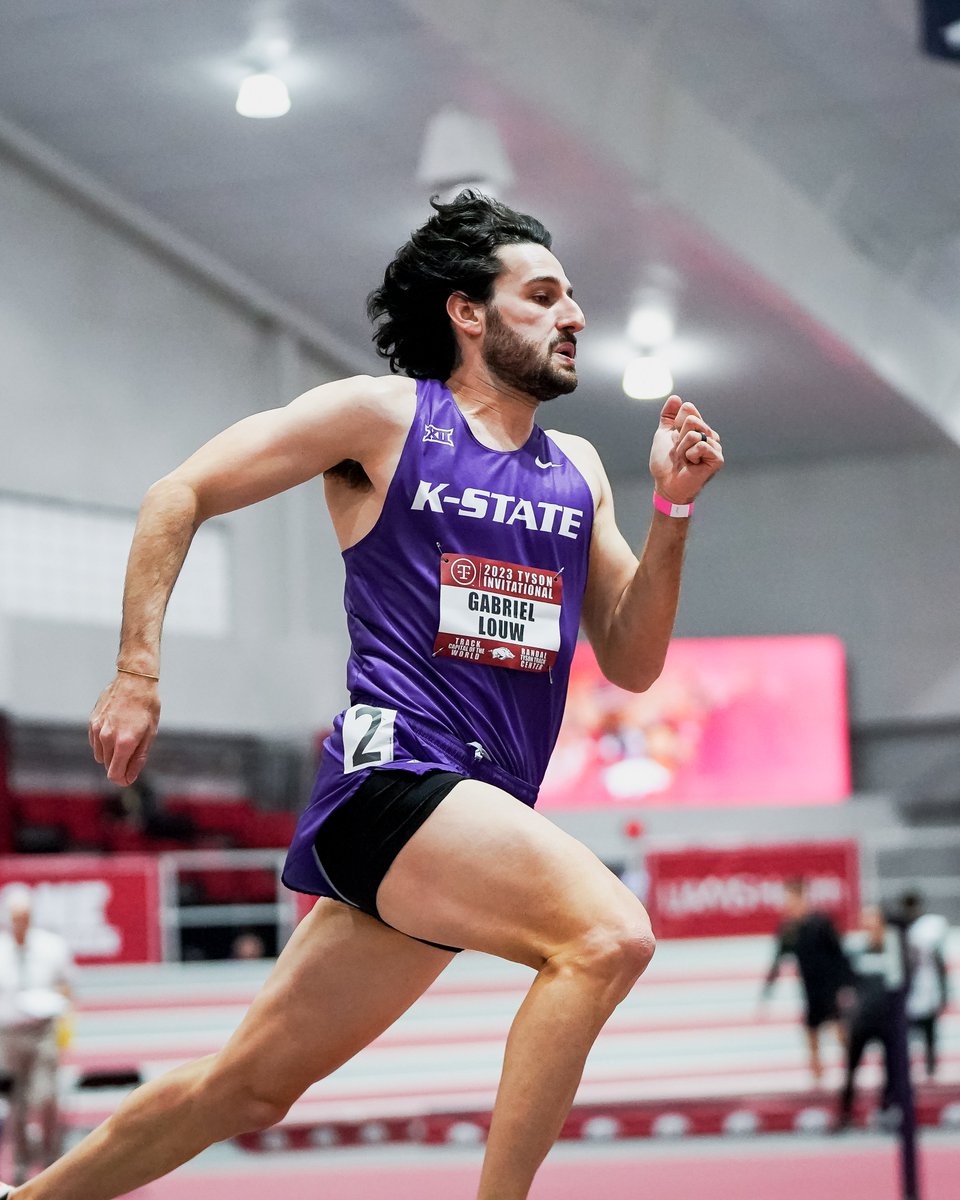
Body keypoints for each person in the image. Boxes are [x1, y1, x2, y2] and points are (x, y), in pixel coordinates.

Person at [0, 191, 723, 1200]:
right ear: (468, 313)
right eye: (545, 295)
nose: (575, 318)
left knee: (247, 1088)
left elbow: (634, 660)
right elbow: (180, 493)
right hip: (395, 777)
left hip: (470, 815)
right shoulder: (382, 420)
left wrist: (675, 511)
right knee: (606, 937)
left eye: (574, 300)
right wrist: (137, 670)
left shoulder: (581, 473)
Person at [0, 886, 75, 1187]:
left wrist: (56, 1006)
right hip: (6, 1037)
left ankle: (52, 1160)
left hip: (43, 1032)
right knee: (13, 1102)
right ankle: (20, 1162)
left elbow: (68, 986)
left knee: (46, 1097)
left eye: (25, 916)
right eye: (16, 917)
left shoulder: (51, 947)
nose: (21, 922)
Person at [761, 876, 853, 1083]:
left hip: (829, 986)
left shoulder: (821, 922)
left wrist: (846, 984)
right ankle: (818, 1079)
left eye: (789, 898)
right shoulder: (788, 928)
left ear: (801, 896)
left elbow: (839, 954)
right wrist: (768, 987)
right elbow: (778, 958)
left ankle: (852, 1071)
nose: (787, 903)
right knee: (811, 1033)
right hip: (809, 987)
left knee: (839, 1030)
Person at [835, 904, 897, 1130]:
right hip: (861, 1021)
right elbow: (844, 988)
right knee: (851, 1068)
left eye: (871, 920)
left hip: (887, 1021)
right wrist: (841, 1019)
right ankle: (845, 1114)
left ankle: (887, 1110)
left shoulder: (894, 954)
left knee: (891, 1069)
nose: (867, 925)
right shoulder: (857, 952)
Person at [900, 889, 949, 1079]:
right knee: (906, 1034)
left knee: (929, 1031)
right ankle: (908, 1069)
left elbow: (938, 961)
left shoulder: (927, 929)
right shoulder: (903, 929)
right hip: (910, 988)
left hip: (926, 986)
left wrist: (943, 990)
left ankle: (930, 1068)